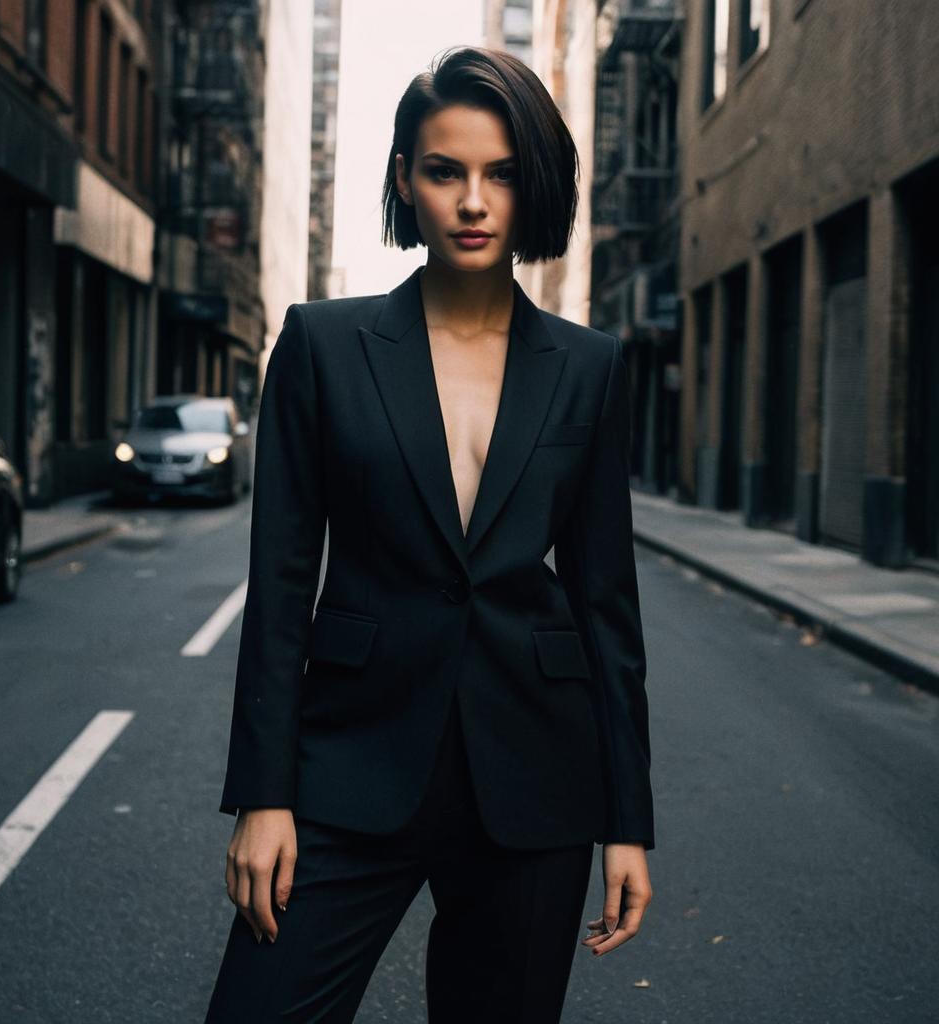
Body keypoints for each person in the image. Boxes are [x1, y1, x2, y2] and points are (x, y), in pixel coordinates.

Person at [205, 44, 654, 1023]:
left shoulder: (588, 367)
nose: (472, 200)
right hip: (349, 767)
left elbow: (603, 604)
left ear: (531, 187)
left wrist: (627, 821)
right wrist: (263, 795)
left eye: (498, 173)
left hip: (534, 781)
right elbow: (280, 585)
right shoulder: (322, 345)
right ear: (405, 181)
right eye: (445, 170)